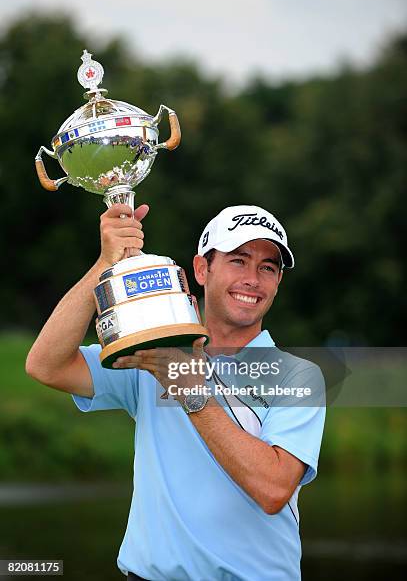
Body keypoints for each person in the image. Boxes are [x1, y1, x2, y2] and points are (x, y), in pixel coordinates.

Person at [26, 203, 325, 581]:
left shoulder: (298, 376)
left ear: (277, 282)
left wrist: (189, 390)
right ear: (202, 269)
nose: (253, 279)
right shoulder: (153, 352)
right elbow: (45, 365)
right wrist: (104, 266)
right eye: (238, 260)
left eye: (268, 267)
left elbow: (272, 489)